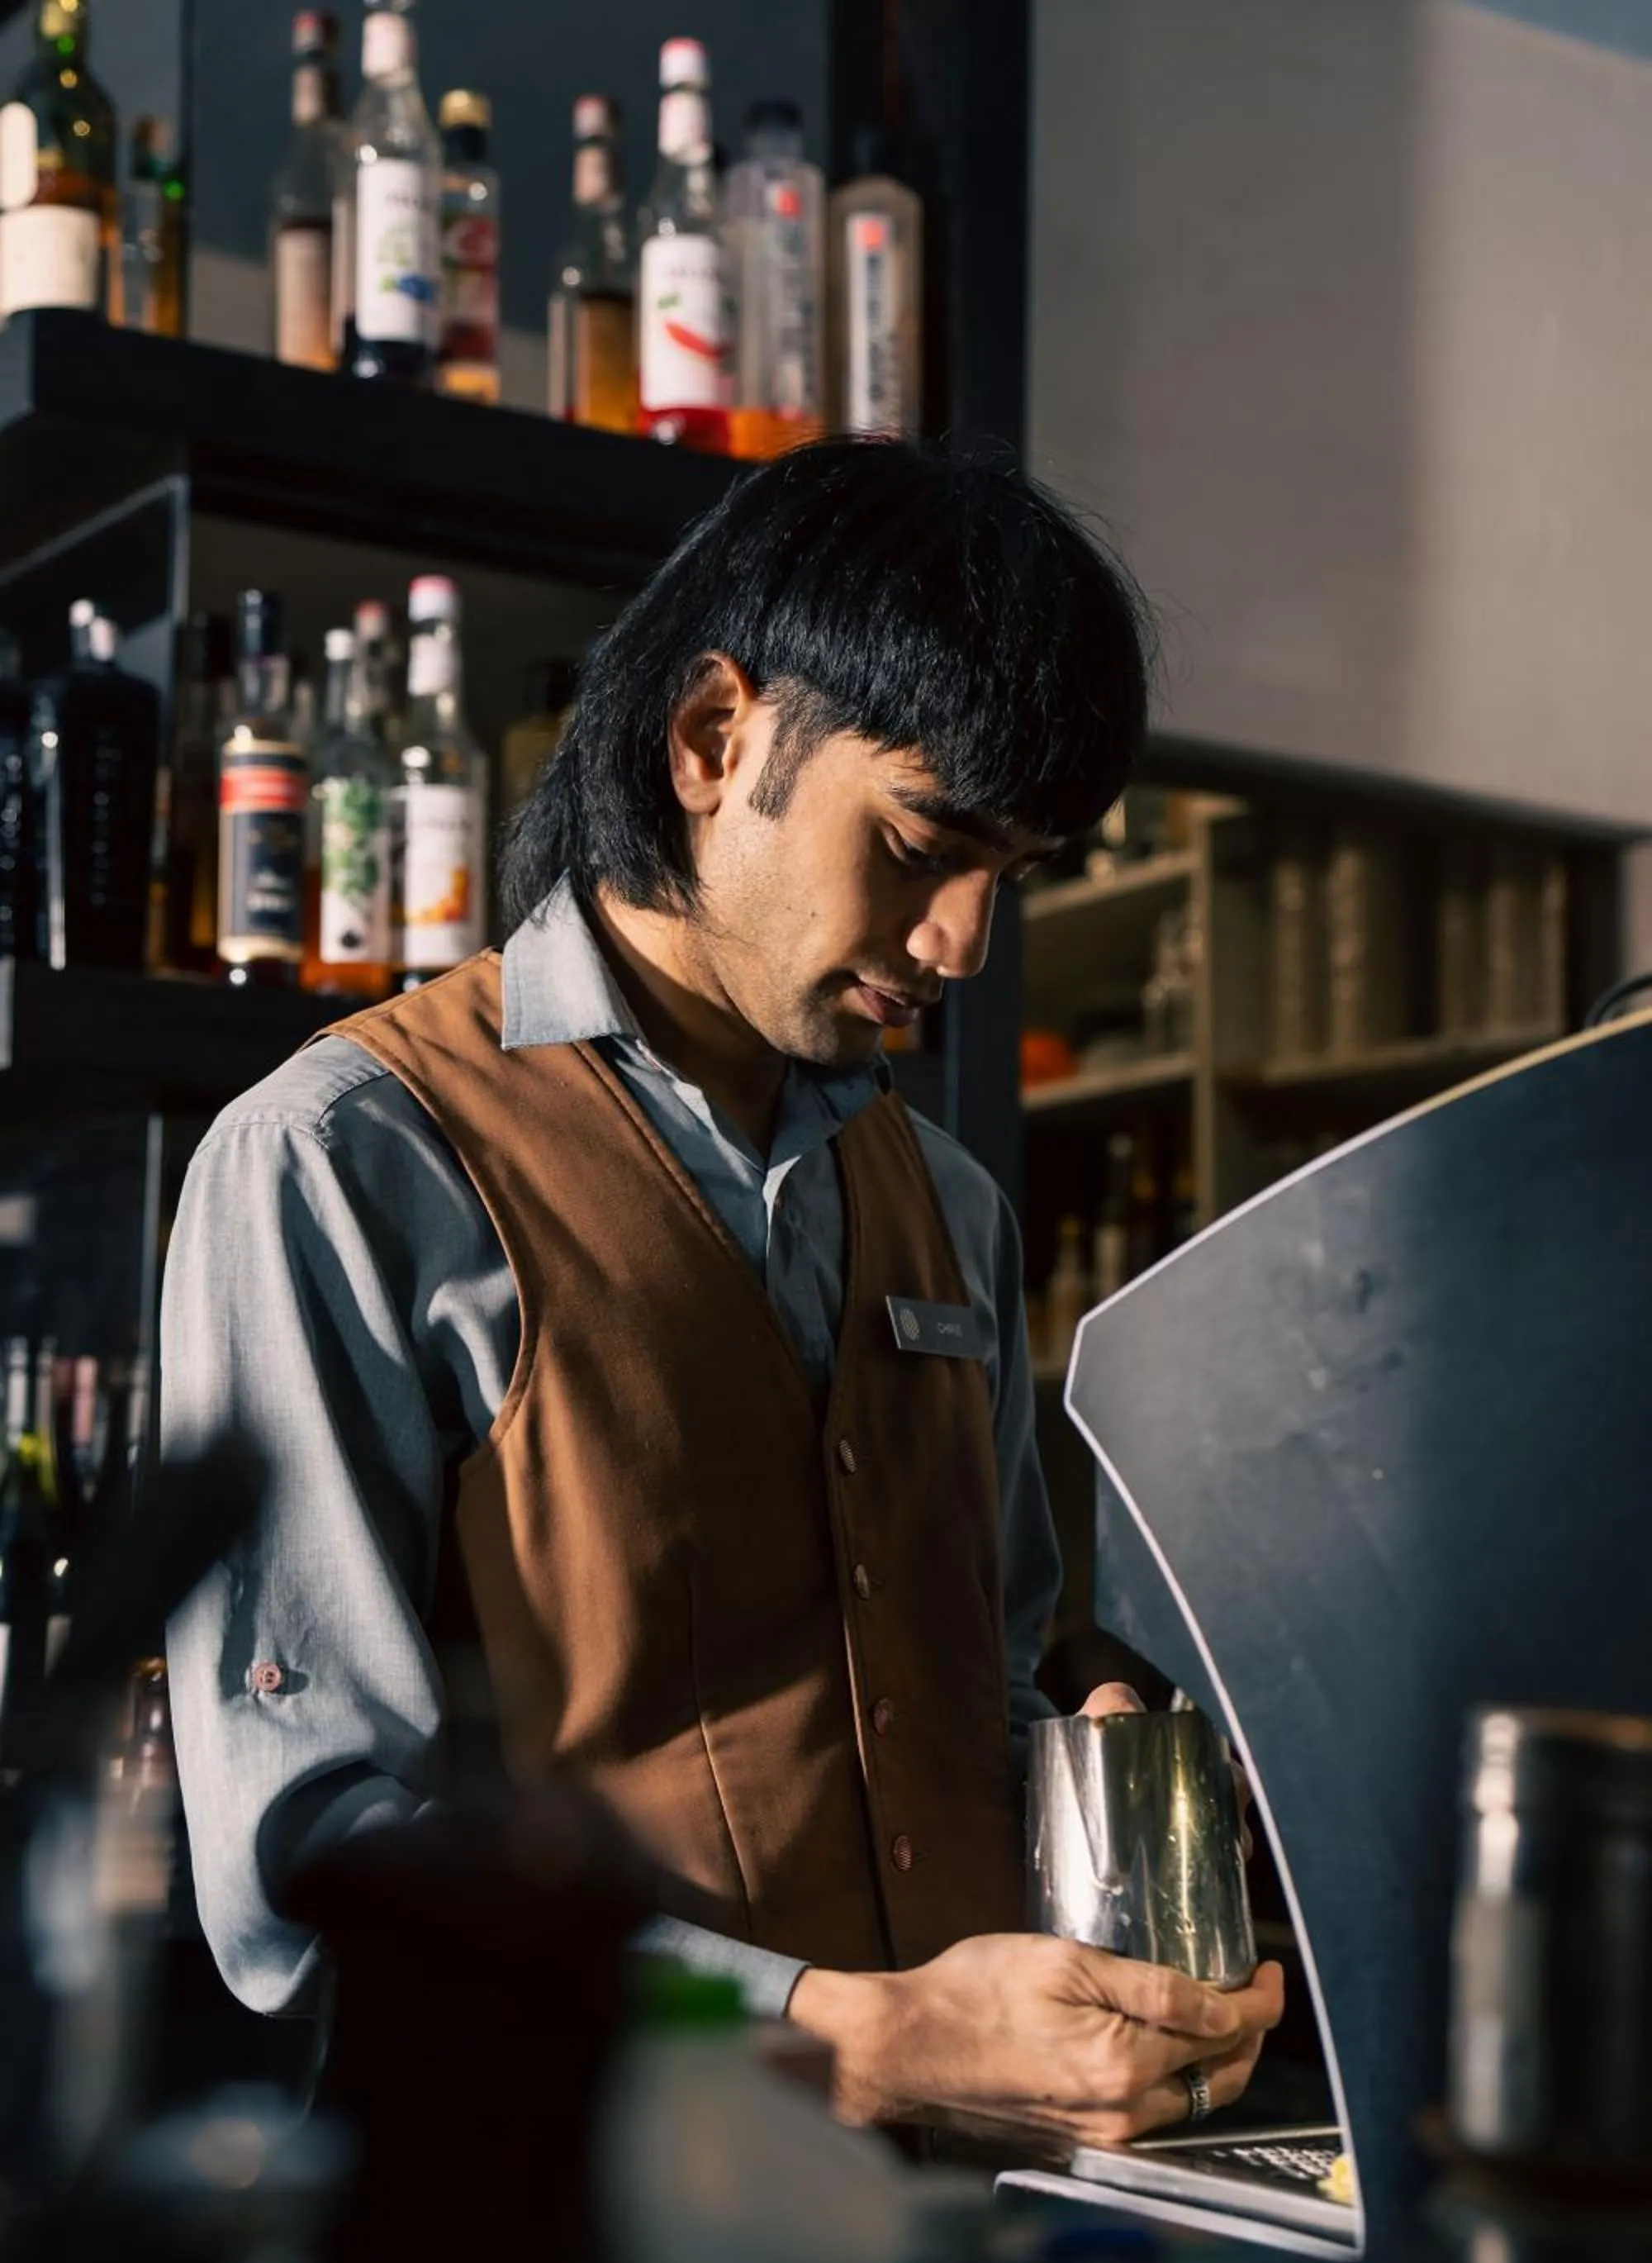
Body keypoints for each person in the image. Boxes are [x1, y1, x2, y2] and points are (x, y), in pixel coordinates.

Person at [164, 439, 1282, 2151]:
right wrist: (837, 2037)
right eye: (920, 843)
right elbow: (310, 1868)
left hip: (950, 2240)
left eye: (1018, 873)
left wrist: (1084, 1801)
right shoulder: (345, 1160)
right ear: (714, 740)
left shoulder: (951, 1212)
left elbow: (969, 1687)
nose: (968, 942)